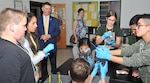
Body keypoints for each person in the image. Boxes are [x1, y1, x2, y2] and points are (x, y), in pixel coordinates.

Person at [95, 14, 150, 83]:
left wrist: (107, 56)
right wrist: (108, 52)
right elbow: (129, 50)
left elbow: (133, 60)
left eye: (139, 25)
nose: (136, 28)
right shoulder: (142, 42)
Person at [0, 8, 35, 83]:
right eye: (24, 25)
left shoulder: (13, 44)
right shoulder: (9, 53)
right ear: (12, 27)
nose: (25, 29)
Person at [19, 13, 54, 82]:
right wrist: (43, 52)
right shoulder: (24, 41)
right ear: (26, 25)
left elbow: (33, 52)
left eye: (36, 23)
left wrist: (41, 54)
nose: (36, 25)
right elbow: (31, 61)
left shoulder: (32, 35)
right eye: (33, 23)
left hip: (35, 71)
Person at [37, 2, 60, 82]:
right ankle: (44, 79)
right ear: (42, 9)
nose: (48, 10)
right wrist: (41, 36)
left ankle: (54, 78)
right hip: (42, 44)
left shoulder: (55, 21)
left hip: (51, 44)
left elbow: (58, 32)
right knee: (43, 64)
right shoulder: (37, 20)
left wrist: (50, 35)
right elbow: (35, 31)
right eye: (46, 9)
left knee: (53, 63)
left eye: (49, 9)